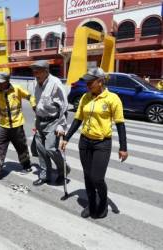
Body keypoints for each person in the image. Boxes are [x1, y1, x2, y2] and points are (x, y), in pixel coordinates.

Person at [60, 67, 128, 219]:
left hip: (102, 144)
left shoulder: (112, 99)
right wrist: (66, 138)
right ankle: (91, 205)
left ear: (101, 81)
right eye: (87, 82)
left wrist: (123, 148)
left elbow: (120, 124)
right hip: (85, 142)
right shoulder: (85, 97)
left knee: (97, 178)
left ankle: (102, 204)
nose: (88, 84)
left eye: (91, 81)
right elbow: (77, 120)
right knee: (87, 176)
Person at [0, 72, 36, 181]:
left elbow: (30, 96)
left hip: (17, 125)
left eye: (1, 82)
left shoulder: (17, 89)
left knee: (21, 146)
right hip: (3, 126)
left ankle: (26, 166)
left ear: (7, 81)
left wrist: (34, 105)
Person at [30, 60, 70, 186]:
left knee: (51, 149)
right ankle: (44, 176)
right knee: (41, 150)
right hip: (40, 120)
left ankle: (64, 171)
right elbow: (37, 103)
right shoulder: (34, 83)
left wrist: (61, 126)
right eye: (34, 71)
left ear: (46, 71)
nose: (35, 74)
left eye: (38, 71)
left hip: (53, 121)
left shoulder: (56, 84)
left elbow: (64, 107)